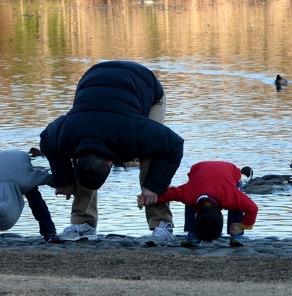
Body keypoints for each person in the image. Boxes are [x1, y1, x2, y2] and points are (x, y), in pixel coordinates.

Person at [40, 61, 184, 246]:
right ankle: (83, 224)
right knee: (89, 166)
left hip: (145, 85)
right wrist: (64, 180)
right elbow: (46, 141)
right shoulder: (67, 130)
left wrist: (154, 186)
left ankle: (162, 225)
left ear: (110, 164)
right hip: (93, 82)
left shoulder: (134, 132)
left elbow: (174, 145)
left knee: (152, 151)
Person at [146, 161, 258, 247]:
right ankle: (193, 233)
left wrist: (242, 226)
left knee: (237, 205)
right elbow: (168, 194)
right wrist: (145, 198)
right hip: (199, 171)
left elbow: (253, 209)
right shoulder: (189, 192)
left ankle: (236, 234)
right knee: (190, 199)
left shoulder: (231, 196)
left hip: (230, 172)